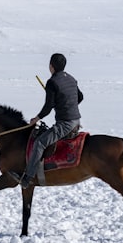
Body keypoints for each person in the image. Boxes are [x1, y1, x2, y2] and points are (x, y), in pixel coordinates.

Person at [22, 53, 83, 186]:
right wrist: (65, 102)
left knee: (39, 143)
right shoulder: (72, 79)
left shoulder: (52, 82)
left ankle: (29, 177)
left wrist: (36, 119)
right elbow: (80, 97)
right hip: (77, 121)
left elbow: (48, 107)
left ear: (51, 66)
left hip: (65, 124)